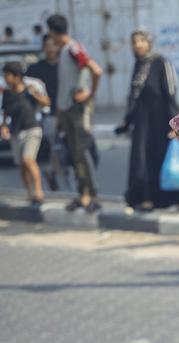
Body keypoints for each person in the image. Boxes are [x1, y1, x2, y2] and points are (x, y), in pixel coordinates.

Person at [115, 29, 179, 212]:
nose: (138, 44)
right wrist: (127, 120)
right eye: (134, 41)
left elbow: (170, 93)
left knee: (162, 157)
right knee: (142, 160)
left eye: (141, 40)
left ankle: (174, 200)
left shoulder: (161, 62)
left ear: (149, 42)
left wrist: (175, 123)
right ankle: (146, 199)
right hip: (142, 122)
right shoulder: (138, 64)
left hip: (161, 121)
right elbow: (134, 96)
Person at [46, 13, 103, 213]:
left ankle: (92, 195)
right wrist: (61, 115)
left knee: (82, 153)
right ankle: (83, 195)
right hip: (68, 109)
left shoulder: (73, 49)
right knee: (75, 155)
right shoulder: (64, 51)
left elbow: (96, 70)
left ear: (52, 32)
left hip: (78, 109)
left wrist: (90, 94)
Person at [1, 61, 50, 205]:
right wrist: (3, 126)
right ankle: (29, 192)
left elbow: (47, 103)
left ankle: (39, 191)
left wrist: (35, 94)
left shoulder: (30, 89)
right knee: (22, 164)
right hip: (16, 131)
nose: (5, 78)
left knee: (28, 159)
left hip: (32, 129)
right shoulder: (7, 93)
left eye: (8, 75)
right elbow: (5, 112)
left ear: (16, 76)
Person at [26, 33, 69, 191]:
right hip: (48, 115)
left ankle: (54, 170)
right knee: (54, 142)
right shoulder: (35, 69)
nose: (51, 48)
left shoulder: (66, 67)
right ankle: (57, 173)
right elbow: (26, 90)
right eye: (47, 45)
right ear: (43, 47)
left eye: (54, 45)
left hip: (67, 112)